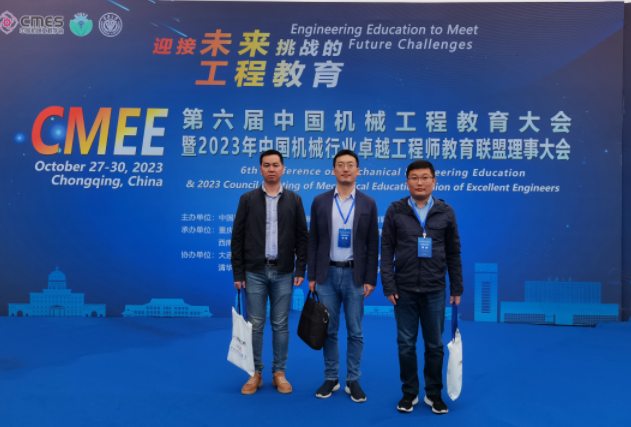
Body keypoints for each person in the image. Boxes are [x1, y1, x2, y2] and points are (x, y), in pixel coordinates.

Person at [380, 159, 463, 414]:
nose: (420, 182)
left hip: (435, 289)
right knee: (406, 344)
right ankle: (409, 392)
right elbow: (386, 250)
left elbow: (453, 252)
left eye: (425, 177)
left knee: (434, 345)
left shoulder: (446, 211)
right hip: (403, 289)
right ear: (407, 182)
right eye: (414, 178)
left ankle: (434, 394)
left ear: (433, 181)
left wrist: (456, 288)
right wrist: (388, 284)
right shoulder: (395, 210)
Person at [231, 149, 309, 395]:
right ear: (260, 169)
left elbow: (302, 237)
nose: (271, 169)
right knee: (255, 324)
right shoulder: (247, 199)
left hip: (284, 271)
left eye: (276, 165)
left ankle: (279, 372)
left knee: (280, 324)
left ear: (283, 169)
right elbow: (237, 238)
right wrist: (238, 273)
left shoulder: (295, 200)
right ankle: (255, 373)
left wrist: (300, 268)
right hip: (253, 271)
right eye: (267, 165)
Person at [307, 149, 379, 403]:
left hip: (355, 275)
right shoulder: (320, 201)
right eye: (340, 165)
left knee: (355, 330)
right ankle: (331, 378)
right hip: (326, 274)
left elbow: (373, 243)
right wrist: (312, 275)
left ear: (358, 171)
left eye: (350, 165)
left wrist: (371, 278)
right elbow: (313, 240)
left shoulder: (368, 203)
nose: (345, 169)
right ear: (333, 170)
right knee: (328, 329)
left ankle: (353, 380)